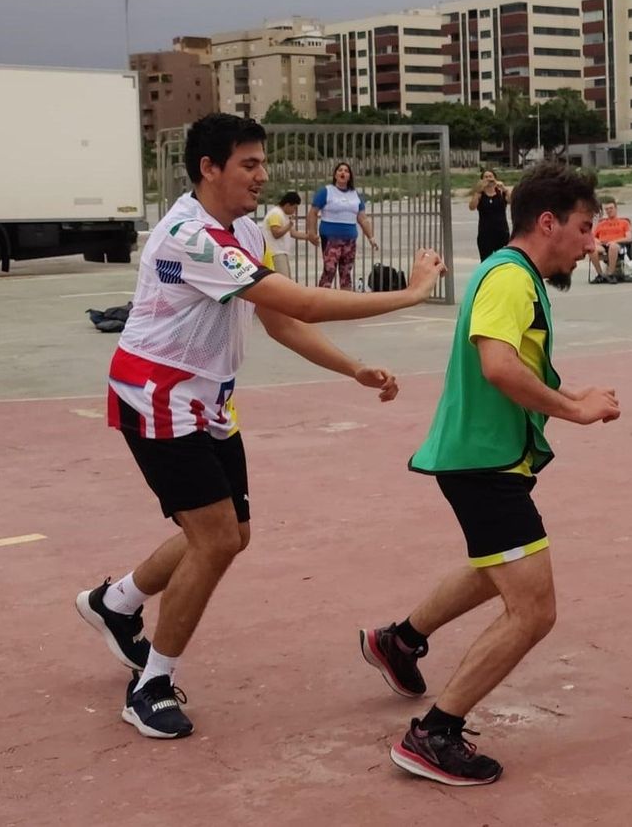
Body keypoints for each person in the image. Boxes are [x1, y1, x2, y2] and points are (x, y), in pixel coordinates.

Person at [74, 114, 447, 740]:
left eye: (262, 162)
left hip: (208, 399)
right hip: (156, 394)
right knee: (214, 539)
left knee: (230, 534)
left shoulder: (245, 228)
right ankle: (151, 686)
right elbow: (301, 300)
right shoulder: (190, 235)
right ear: (209, 169)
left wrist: (352, 368)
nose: (263, 175)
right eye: (248, 164)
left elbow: (281, 319)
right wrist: (408, 295)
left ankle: (116, 603)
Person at [359, 163, 620, 787]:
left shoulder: (514, 274)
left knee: (496, 567)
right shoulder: (509, 277)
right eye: (585, 229)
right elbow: (499, 366)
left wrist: (568, 389)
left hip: (485, 460)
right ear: (549, 223)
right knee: (533, 610)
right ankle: (434, 734)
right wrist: (574, 409)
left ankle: (399, 641)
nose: (592, 245)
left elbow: (516, 365)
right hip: (481, 465)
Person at [309, 162, 378, 290]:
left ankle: (346, 301)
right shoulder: (326, 191)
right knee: (329, 270)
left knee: (346, 272)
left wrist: (371, 237)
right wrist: (311, 233)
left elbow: (362, 218)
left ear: (349, 176)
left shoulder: (355, 195)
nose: (343, 173)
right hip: (330, 238)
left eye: (346, 171)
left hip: (350, 239)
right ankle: (322, 300)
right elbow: (313, 212)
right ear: (335, 174)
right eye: (340, 170)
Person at [587, 199, 632, 283]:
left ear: (616, 208)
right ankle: (600, 274)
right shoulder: (601, 224)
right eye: (607, 209)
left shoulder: (624, 222)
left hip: (618, 245)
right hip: (603, 244)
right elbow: (592, 236)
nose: (609, 210)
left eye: (611, 208)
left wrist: (615, 241)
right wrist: (597, 241)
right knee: (592, 248)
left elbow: (629, 238)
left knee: (613, 246)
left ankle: (610, 274)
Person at [262, 191, 307, 280]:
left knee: (286, 279)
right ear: (287, 205)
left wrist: (308, 236)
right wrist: (289, 225)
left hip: (281, 251)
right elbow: (276, 233)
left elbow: (293, 233)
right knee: (283, 280)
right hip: (275, 252)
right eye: (294, 208)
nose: (295, 211)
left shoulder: (283, 215)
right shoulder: (276, 214)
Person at [470, 168, 512, 260]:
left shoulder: (500, 192)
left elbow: (512, 201)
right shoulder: (480, 194)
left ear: (495, 178)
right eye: (486, 177)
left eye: (490, 177)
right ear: (481, 180)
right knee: (486, 260)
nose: (488, 179)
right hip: (485, 234)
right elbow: (472, 207)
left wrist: (505, 189)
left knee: (503, 260)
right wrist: (477, 191)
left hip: (501, 232)